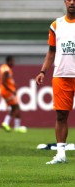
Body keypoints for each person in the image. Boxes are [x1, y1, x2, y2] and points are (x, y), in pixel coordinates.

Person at [35, 0, 75, 164]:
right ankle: (61, 154)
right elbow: (51, 51)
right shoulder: (56, 25)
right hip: (61, 75)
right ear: (65, 2)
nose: (72, 2)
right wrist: (43, 70)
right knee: (61, 115)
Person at [0, 55, 27, 133]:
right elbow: (3, 82)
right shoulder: (7, 70)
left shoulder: (3, 67)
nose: (13, 63)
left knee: (13, 107)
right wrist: (12, 90)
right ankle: (15, 126)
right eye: (12, 61)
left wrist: (13, 84)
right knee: (16, 107)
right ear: (9, 61)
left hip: (4, 91)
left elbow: (6, 80)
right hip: (7, 91)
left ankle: (7, 123)